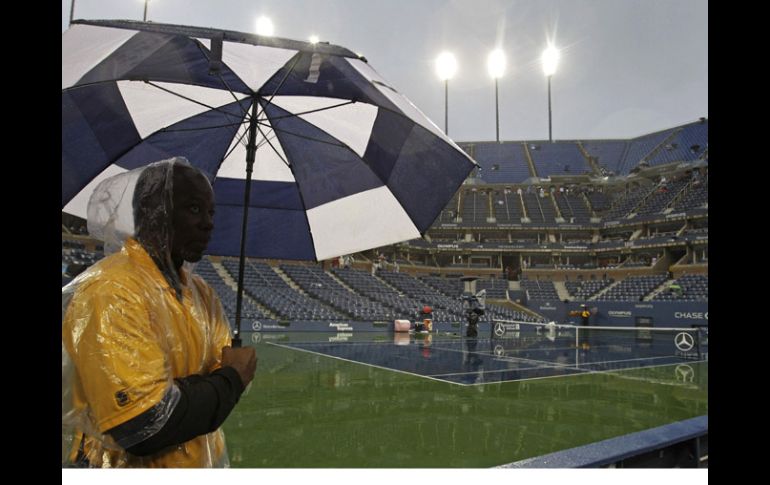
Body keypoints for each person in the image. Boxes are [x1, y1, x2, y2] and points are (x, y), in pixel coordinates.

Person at [61, 157, 257, 468]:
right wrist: (231, 377)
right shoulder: (111, 291)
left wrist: (198, 388)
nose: (209, 223)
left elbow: (211, 387)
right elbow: (141, 425)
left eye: (210, 212)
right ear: (154, 214)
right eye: (194, 209)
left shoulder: (203, 295)